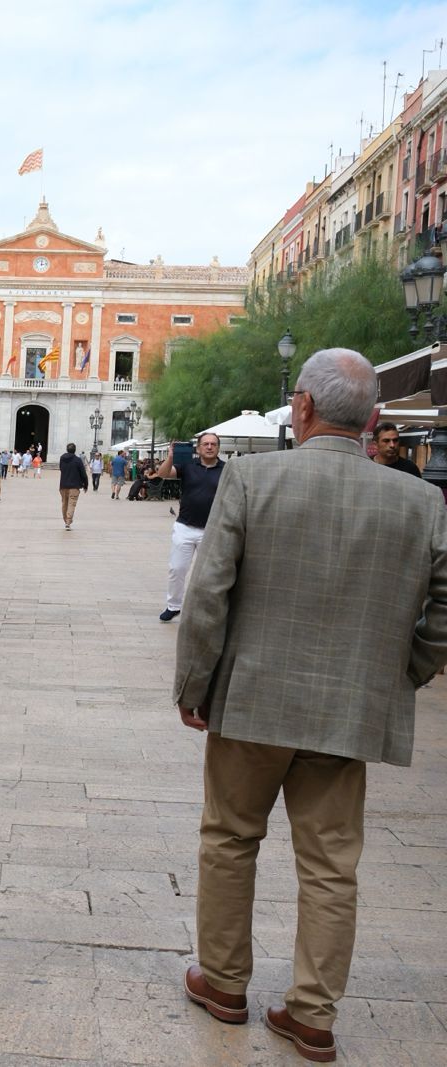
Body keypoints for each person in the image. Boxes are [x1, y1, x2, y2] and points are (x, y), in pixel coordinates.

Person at [173, 348, 447, 1063]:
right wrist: (403, 671)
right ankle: (312, 1013)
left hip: (253, 701)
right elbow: (444, 606)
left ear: (301, 407)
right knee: (331, 865)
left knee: (230, 838)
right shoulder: (421, 501)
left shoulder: (252, 477)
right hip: (347, 712)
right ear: (375, 419)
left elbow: (208, 595)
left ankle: (225, 983)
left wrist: (195, 685)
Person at [154, 432, 225, 622]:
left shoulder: (227, 470)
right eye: (205, 444)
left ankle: (208, 609)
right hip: (185, 526)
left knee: (210, 572)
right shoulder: (187, 466)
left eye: (213, 444)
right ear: (199, 448)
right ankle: (173, 605)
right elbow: (162, 474)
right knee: (177, 568)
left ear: (218, 448)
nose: (209, 447)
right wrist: (170, 457)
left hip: (212, 529)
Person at [58, 442, 89, 529]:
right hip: (74, 486)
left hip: (63, 485)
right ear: (75, 450)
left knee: (64, 503)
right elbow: (83, 473)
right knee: (71, 504)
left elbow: (61, 468)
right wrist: (85, 485)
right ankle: (68, 521)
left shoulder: (62, 458)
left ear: (67, 449)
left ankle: (66, 520)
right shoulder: (77, 460)